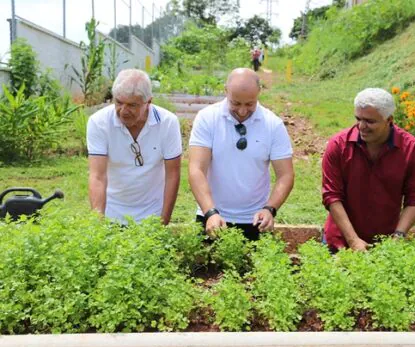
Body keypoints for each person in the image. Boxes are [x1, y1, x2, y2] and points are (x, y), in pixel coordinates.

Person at [188, 68, 294, 240]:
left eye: (250, 104)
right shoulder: (207, 118)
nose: (243, 111)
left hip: (255, 220)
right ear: (225, 91)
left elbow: (286, 175)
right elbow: (196, 169)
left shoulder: (273, 125)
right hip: (212, 217)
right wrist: (210, 211)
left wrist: (270, 209)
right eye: (236, 103)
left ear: (259, 93)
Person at [322, 88, 415, 251]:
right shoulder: (339, 146)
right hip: (340, 240)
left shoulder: (411, 149)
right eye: (358, 119)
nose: (361, 126)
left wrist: (398, 236)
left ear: (389, 120)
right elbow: (331, 196)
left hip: (385, 242)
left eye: (370, 121)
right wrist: (353, 240)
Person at [87, 69, 182, 225]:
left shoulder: (168, 123)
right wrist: (98, 224)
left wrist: (163, 223)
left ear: (148, 102)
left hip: (152, 213)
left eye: (132, 105)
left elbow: (173, 174)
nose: (123, 111)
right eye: (118, 102)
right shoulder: (99, 122)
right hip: (113, 211)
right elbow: (97, 176)